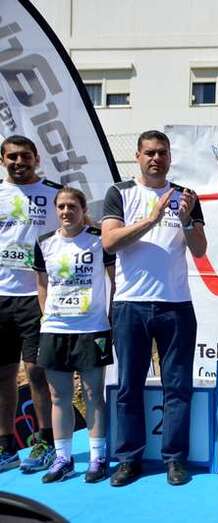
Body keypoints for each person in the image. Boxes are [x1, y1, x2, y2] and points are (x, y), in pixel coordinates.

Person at [101, 130, 207, 487]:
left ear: (169, 157)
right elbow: (111, 242)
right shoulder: (120, 193)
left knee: (176, 387)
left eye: (162, 152)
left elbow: (200, 250)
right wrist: (152, 218)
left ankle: (175, 459)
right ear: (137, 156)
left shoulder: (185, 197)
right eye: (149, 152)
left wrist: (189, 219)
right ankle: (128, 458)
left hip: (175, 305)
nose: (156, 158)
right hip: (130, 304)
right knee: (129, 385)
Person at [33, 187, 115, 483]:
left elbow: (114, 280)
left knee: (94, 394)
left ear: (82, 210)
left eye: (72, 206)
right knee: (59, 396)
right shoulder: (44, 243)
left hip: (92, 329)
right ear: (56, 210)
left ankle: (98, 457)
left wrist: (109, 315)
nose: (66, 211)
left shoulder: (98, 241)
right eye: (62, 207)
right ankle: (63, 458)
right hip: (55, 329)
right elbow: (42, 284)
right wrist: (47, 316)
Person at [0, 135, 59, 473]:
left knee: (37, 371)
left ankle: (45, 443)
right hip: (1, 296)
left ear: (37, 158)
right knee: (3, 374)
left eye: (25, 156)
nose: (19, 162)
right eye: (12, 157)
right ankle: (6, 448)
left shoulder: (55, 194)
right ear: (3, 159)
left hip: (38, 295)